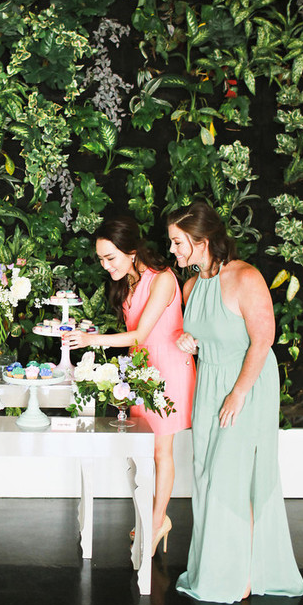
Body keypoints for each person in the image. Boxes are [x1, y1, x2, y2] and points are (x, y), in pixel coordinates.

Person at [168, 200, 303, 603]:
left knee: (234, 476)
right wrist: (184, 340)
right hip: (210, 382)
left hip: (245, 384)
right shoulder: (193, 284)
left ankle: (241, 576)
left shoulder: (245, 277)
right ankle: (221, 569)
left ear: (202, 240)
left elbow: (263, 339)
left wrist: (239, 392)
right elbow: (193, 334)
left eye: (178, 243)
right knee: (209, 476)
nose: (174, 250)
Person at [63, 217, 195, 555]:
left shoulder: (162, 280)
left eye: (111, 258)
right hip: (139, 373)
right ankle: (151, 516)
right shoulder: (128, 282)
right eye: (102, 260)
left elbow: (139, 335)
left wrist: (91, 339)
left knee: (160, 452)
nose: (106, 266)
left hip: (167, 373)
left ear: (131, 251)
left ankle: (156, 521)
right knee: (140, 450)